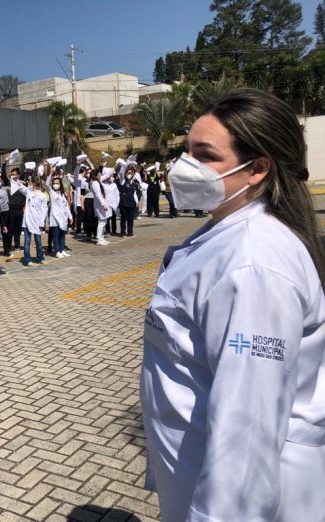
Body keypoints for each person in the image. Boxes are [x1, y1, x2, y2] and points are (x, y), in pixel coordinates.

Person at [141, 89, 325, 522]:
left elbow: (247, 431)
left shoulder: (253, 264)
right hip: (193, 473)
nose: (184, 167)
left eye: (204, 155)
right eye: (186, 151)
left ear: (256, 169)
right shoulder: (227, 233)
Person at [17, 175, 48, 266]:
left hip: (37, 221)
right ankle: (27, 260)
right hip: (27, 220)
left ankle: (40, 258)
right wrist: (19, 182)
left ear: (34, 183)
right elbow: (20, 187)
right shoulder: (29, 192)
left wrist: (41, 222)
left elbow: (44, 209)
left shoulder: (42, 195)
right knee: (27, 241)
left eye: (30, 182)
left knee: (38, 241)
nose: (29, 184)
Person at [46, 169, 73, 258]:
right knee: (56, 235)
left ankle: (62, 250)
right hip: (54, 218)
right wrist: (51, 173)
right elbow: (47, 183)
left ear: (60, 184)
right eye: (54, 183)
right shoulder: (51, 192)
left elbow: (66, 206)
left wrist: (70, 216)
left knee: (62, 235)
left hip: (62, 218)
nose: (56, 185)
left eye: (57, 183)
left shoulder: (62, 194)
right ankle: (57, 251)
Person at [4, 167, 25, 253]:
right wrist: (5, 163)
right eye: (11, 175)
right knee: (11, 229)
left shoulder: (22, 184)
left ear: (18, 175)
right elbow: (4, 176)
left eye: (14, 175)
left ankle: (17, 246)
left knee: (18, 229)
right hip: (11, 209)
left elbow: (26, 195)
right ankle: (8, 246)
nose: (12, 176)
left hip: (20, 209)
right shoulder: (9, 184)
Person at [89, 169, 110, 246]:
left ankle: (101, 237)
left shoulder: (97, 181)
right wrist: (103, 204)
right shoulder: (95, 183)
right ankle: (99, 239)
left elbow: (107, 175)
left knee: (104, 221)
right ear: (97, 174)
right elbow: (98, 195)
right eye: (99, 173)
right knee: (101, 221)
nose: (100, 174)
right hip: (99, 204)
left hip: (100, 203)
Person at [118, 169, 138, 237]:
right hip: (124, 203)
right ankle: (123, 232)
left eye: (131, 173)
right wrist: (124, 167)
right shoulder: (123, 181)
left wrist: (137, 201)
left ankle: (130, 232)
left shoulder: (133, 182)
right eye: (128, 173)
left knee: (130, 219)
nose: (129, 174)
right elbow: (121, 173)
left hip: (131, 203)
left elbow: (134, 193)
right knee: (123, 218)